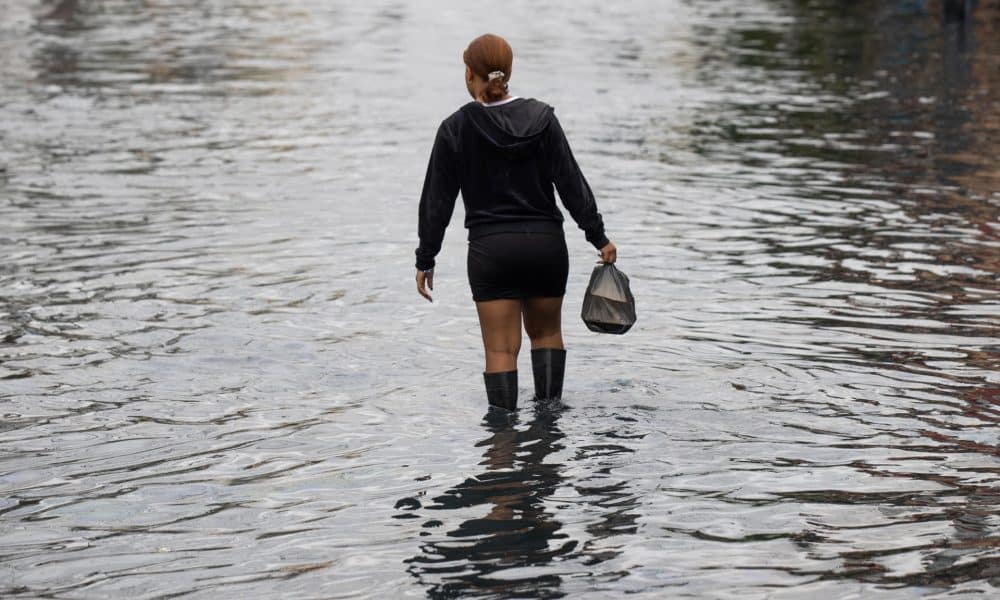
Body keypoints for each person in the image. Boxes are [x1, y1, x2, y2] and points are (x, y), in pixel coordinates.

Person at [414, 33, 616, 413]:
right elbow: (572, 183)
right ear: (507, 73)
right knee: (548, 334)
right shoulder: (543, 119)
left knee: (500, 350)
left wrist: (426, 257)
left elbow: (437, 200)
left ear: (471, 74)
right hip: (545, 247)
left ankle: (502, 450)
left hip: (493, 251)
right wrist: (598, 236)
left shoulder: (455, 128)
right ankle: (549, 436)